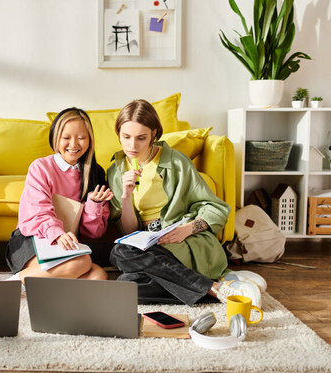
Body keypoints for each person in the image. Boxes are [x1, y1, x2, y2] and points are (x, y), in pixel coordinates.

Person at [107, 99, 266, 307]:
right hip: (146, 246)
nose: (132, 145)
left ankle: (211, 287)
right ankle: (212, 288)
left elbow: (216, 207)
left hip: (178, 242)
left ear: (154, 134)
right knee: (125, 280)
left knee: (123, 260)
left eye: (141, 138)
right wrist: (126, 197)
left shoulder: (176, 162)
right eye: (126, 137)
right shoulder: (115, 171)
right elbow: (130, 230)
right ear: (118, 133)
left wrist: (187, 229)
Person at [0, 107, 113, 283]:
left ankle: (25, 282)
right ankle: (9, 283)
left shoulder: (95, 173)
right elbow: (38, 211)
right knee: (80, 263)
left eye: (81, 138)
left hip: (67, 244)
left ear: (90, 140)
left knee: (98, 276)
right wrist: (58, 234)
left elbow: (94, 233)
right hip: (32, 239)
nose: (74, 144)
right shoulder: (41, 167)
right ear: (55, 138)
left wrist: (93, 204)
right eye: (66, 138)